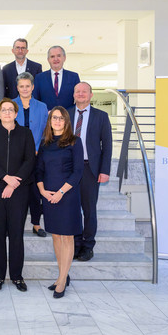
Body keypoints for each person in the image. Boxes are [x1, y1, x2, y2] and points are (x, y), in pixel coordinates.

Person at [0, 98, 36, 292]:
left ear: (16, 113)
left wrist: (14, 183)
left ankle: (17, 276)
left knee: (16, 234)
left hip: (19, 190)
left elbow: (30, 160)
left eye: (10, 110)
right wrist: (5, 178)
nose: (7, 113)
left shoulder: (26, 133)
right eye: (3, 110)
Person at [36, 107, 84, 298]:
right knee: (56, 236)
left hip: (67, 196)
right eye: (54, 118)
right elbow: (38, 169)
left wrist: (61, 192)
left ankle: (62, 280)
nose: (57, 121)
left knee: (67, 237)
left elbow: (78, 172)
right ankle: (61, 274)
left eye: (61, 118)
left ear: (66, 121)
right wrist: (42, 190)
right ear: (50, 121)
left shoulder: (74, 142)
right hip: (49, 196)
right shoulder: (45, 143)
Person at [68, 82, 112, 262]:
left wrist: (105, 170)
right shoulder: (65, 114)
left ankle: (88, 245)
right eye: (77, 91)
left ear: (91, 95)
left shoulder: (101, 116)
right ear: (73, 94)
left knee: (89, 209)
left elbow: (107, 146)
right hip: (69, 168)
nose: (81, 94)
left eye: (84, 91)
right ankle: (76, 244)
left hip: (89, 168)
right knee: (72, 209)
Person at [12, 72, 49, 237]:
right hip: (15, 157)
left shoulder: (42, 107)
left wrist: (37, 149)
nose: (25, 89)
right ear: (17, 88)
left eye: (28, 86)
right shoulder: (10, 105)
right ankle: (14, 223)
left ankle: (36, 223)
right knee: (17, 191)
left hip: (37, 155)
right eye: (21, 86)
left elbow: (45, 132)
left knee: (35, 191)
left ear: (32, 87)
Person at [33, 45, 80, 110]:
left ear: (64, 58)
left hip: (68, 118)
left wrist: (70, 113)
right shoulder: (39, 78)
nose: (55, 59)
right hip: (46, 118)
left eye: (58, 56)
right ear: (48, 60)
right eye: (52, 56)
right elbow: (35, 100)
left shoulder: (74, 77)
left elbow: (79, 99)